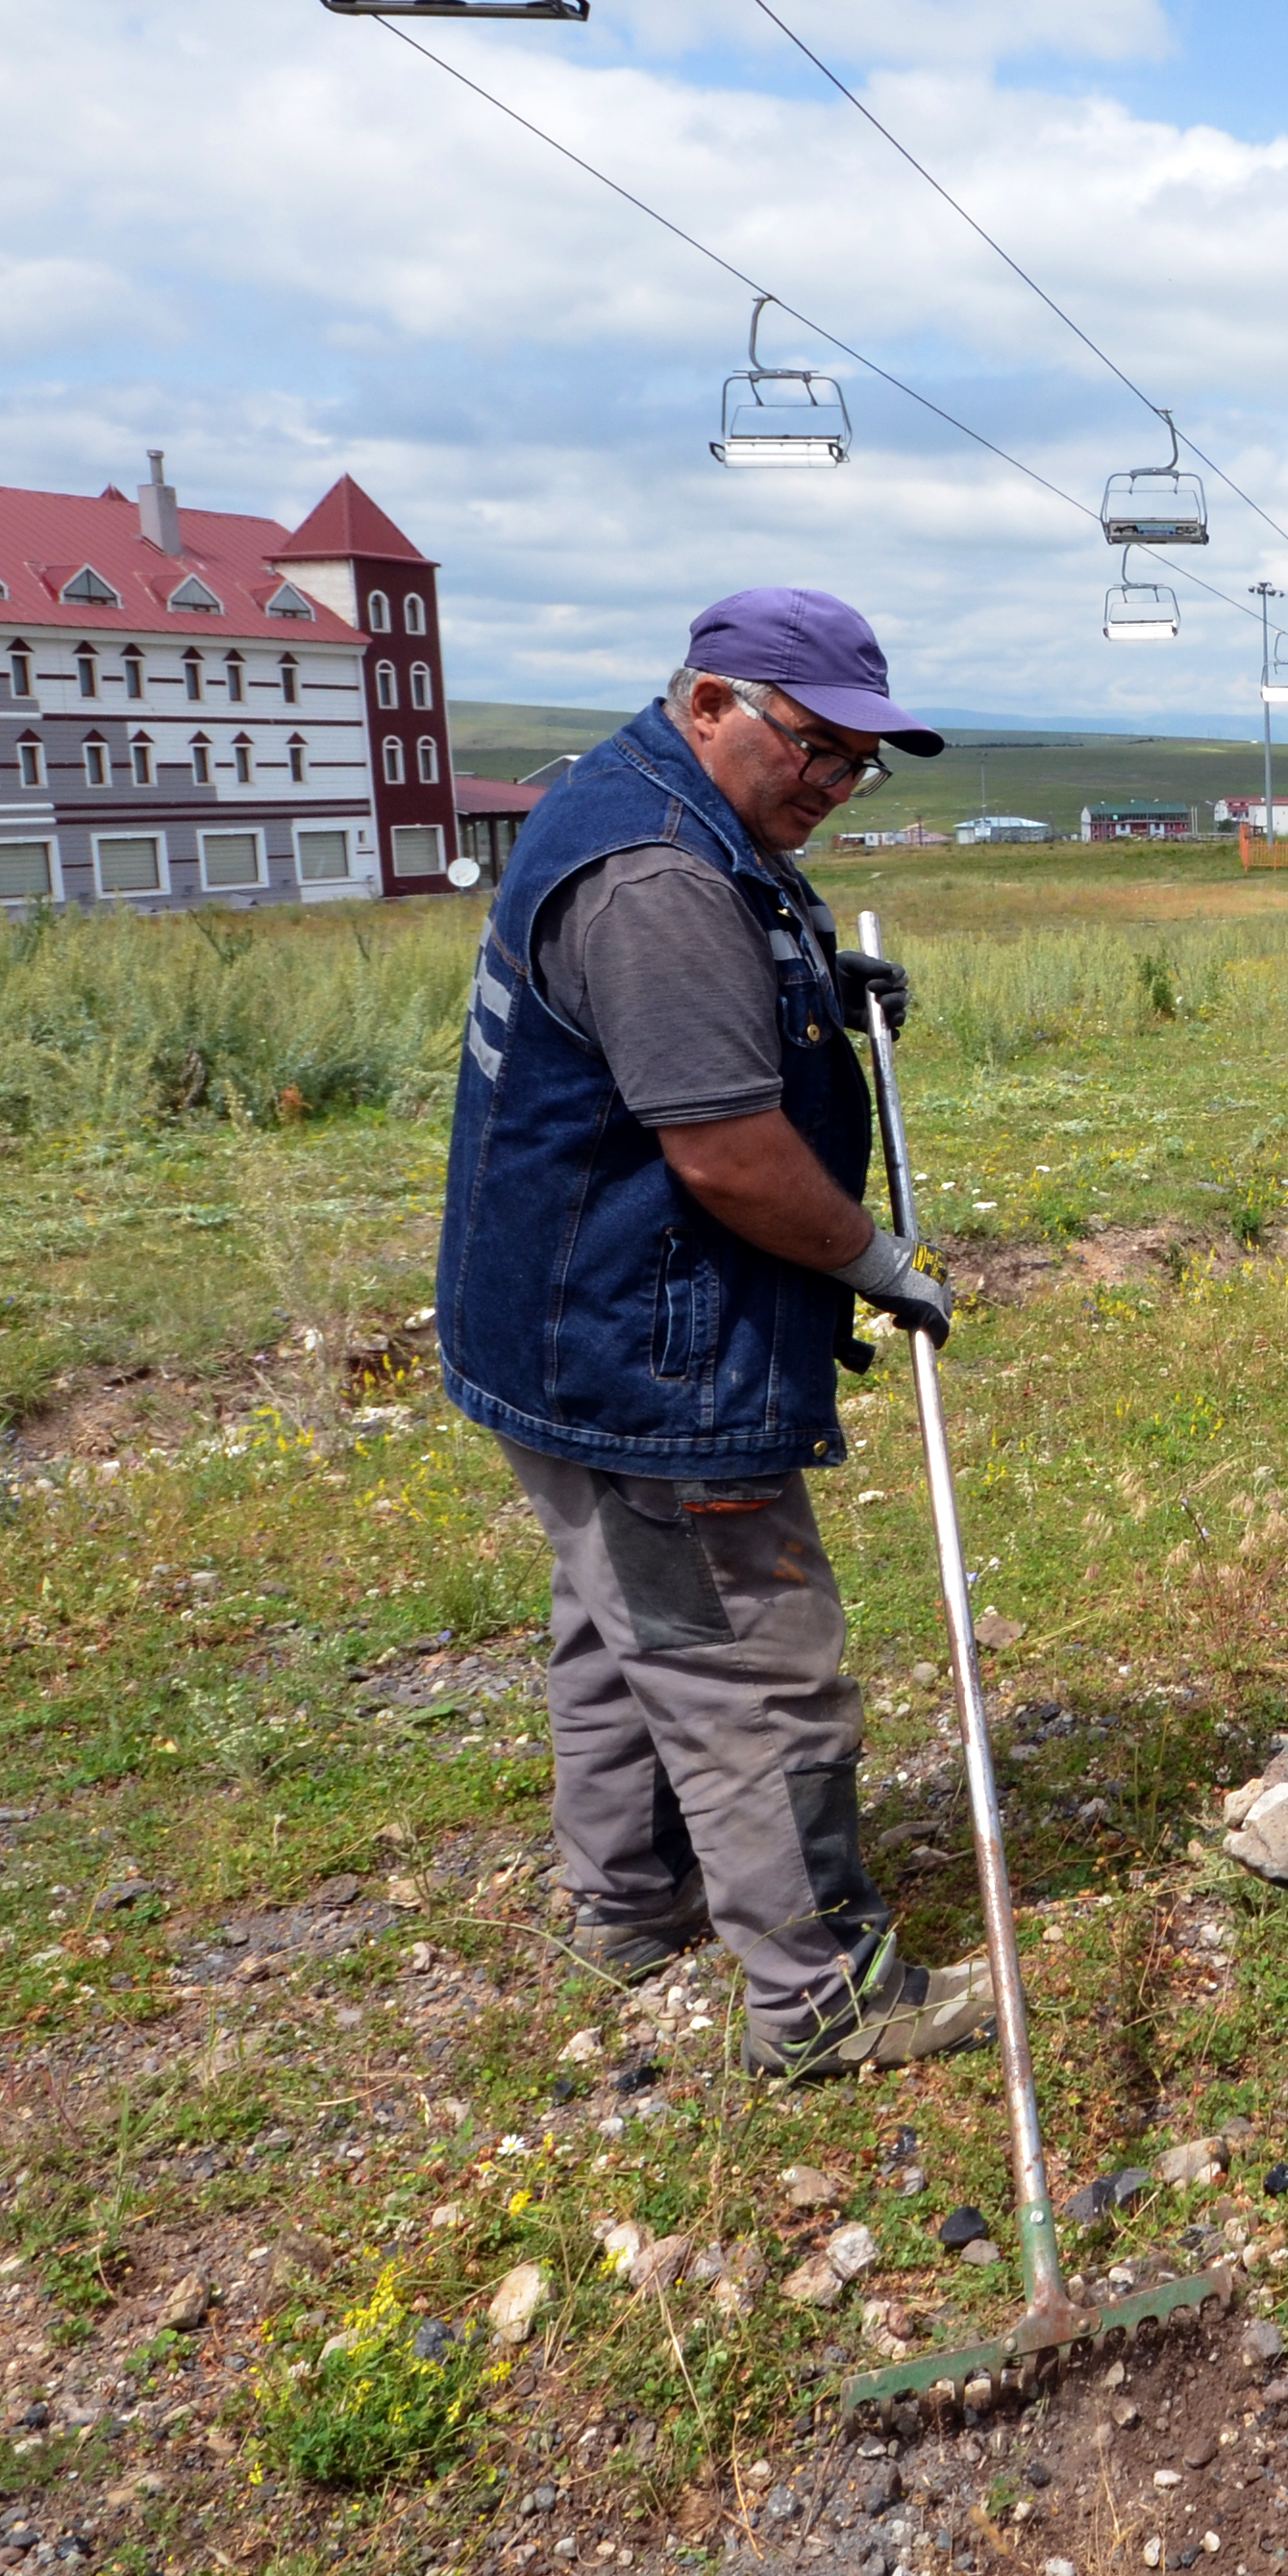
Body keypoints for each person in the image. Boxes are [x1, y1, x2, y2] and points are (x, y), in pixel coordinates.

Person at [434, 588, 989, 2081]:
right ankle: (822, 1995)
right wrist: (880, 1262)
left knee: (625, 1622)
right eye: (811, 749)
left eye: (863, 762)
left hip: (557, 1327)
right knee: (750, 1661)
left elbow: (687, 1009)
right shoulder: (659, 878)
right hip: (642, 1344)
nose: (834, 784)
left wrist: (811, 985)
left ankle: (629, 1898)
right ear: (707, 703)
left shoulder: (647, 807)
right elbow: (728, 1153)